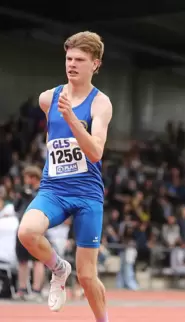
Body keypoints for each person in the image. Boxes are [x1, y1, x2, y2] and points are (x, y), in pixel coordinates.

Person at [17, 31, 113, 322]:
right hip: (54, 189)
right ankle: (58, 268)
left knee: (87, 276)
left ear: (95, 64)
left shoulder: (100, 104)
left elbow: (96, 152)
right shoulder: (49, 99)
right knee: (26, 232)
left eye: (80, 60)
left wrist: (72, 119)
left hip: (87, 194)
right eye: (69, 58)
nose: (72, 64)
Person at [15, 166, 45, 302]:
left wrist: (32, 194)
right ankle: (21, 289)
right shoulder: (24, 190)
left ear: (33, 178)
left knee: (38, 260)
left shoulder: (43, 189)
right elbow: (16, 207)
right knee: (22, 260)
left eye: (27, 177)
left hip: (37, 228)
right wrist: (21, 195)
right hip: (22, 227)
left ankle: (36, 290)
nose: (25, 180)